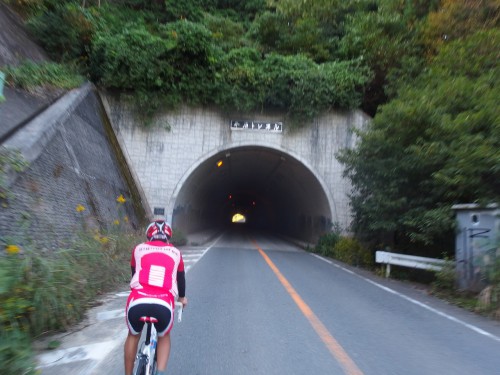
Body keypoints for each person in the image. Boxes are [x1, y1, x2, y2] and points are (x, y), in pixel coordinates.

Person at [124, 220, 188, 375]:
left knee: (133, 335)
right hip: (163, 304)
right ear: (168, 237)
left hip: (138, 300)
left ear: (149, 236)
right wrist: (182, 298)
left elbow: (135, 273)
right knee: (164, 337)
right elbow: (180, 279)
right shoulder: (176, 253)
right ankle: (160, 372)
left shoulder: (138, 249)